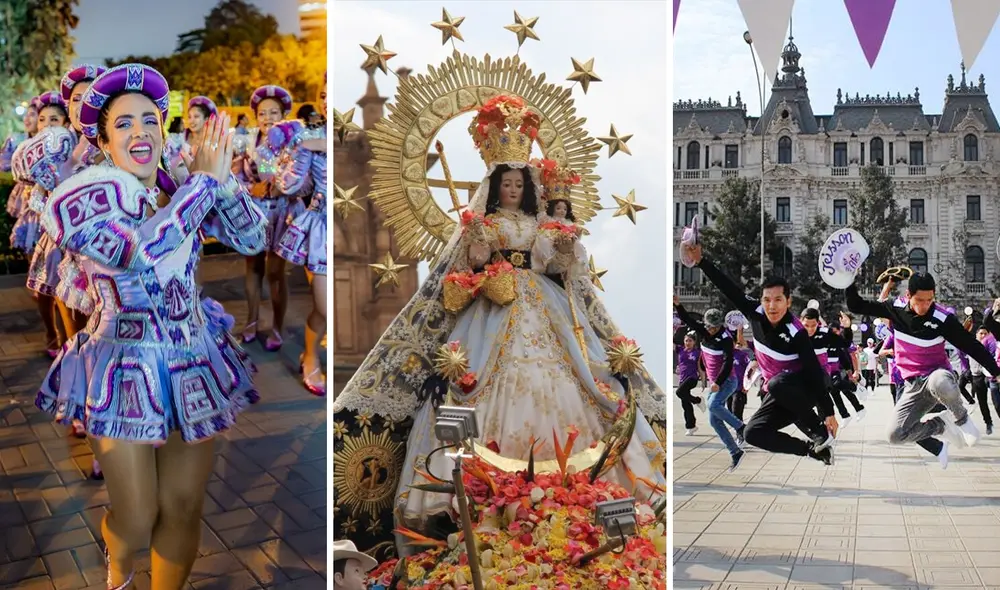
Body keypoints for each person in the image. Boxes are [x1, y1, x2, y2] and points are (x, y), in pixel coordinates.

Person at [333, 95, 666, 556]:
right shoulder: (486, 222)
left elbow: (558, 267)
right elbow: (469, 263)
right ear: (495, 186)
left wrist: (565, 245)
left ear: (527, 186)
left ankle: (586, 490)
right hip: (492, 309)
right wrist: (474, 237)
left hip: (542, 307)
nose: (511, 189)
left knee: (576, 376)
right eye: (505, 183)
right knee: (476, 380)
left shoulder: (540, 223)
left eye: (517, 183)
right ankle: (477, 496)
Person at [33, 63, 266, 588]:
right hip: (121, 364)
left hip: (191, 357)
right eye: (123, 124)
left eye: (149, 120)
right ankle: (119, 565)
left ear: (163, 129)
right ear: (103, 140)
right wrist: (204, 184)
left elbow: (252, 240)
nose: (140, 132)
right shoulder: (84, 196)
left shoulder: (179, 185)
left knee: (183, 506)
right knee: (136, 519)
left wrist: (223, 186)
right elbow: (140, 252)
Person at [683, 242, 836, 464]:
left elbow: (813, 371)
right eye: (766, 300)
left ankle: (819, 433)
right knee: (752, 433)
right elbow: (728, 288)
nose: (771, 306)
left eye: (778, 300)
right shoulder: (754, 313)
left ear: (788, 301)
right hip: (779, 391)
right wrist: (701, 262)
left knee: (777, 383)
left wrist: (828, 413)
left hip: (805, 388)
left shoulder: (796, 332)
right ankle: (813, 451)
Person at [844, 272, 998, 453]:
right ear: (908, 295)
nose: (925, 306)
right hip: (912, 386)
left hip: (937, 377)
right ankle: (941, 425)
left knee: (940, 381)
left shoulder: (942, 319)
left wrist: (996, 371)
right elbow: (856, 305)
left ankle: (962, 419)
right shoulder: (895, 308)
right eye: (920, 300)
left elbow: (971, 346)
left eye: (929, 300)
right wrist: (848, 279)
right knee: (895, 435)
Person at [236, 85, 302, 351]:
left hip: (284, 214)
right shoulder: (248, 144)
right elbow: (234, 180)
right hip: (256, 214)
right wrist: (251, 188)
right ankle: (251, 321)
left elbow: (302, 179)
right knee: (253, 269)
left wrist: (284, 185)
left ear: (284, 114)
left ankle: (277, 325)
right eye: (262, 113)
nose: (268, 117)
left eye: (274, 112)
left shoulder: (296, 145)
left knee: (276, 273)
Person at [274, 82, 328, 396]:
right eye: (322, 94)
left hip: (359, 232)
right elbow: (288, 184)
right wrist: (298, 152)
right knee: (324, 306)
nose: (325, 100)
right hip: (320, 229)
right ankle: (310, 355)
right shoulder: (306, 139)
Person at [20, 91, 72, 359]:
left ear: (66, 123)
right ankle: (52, 334)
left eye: (55, 118)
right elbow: (35, 197)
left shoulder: (75, 150)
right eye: (43, 119)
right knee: (43, 289)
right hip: (46, 230)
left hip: (73, 231)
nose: (48, 124)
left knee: (69, 290)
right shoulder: (33, 156)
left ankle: (69, 340)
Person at [676, 297, 746, 470]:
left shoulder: (725, 339)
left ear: (719, 325)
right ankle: (735, 452)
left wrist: (718, 382)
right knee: (714, 422)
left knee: (714, 404)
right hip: (715, 382)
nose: (711, 330)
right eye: (709, 327)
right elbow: (687, 319)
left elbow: (728, 362)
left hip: (727, 381)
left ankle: (741, 428)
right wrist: (678, 305)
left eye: (714, 327)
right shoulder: (704, 331)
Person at [802, 309, 867, 428]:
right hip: (806, 376)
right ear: (801, 322)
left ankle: (855, 395)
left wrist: (847, 328)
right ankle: (843, 416)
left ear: (818, 323)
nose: (810, 329)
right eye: (806, 325)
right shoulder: (797, 334)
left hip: (827, 372)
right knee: (826, 399)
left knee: (832, 390)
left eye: (813, 326)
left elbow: (846, 343)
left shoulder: (824, 334)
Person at [676, 330, 704, 435]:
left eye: (690, 341)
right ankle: (691, 426)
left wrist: (704, 381)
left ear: (694, 342)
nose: (688, 342)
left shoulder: (697, 353)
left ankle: (698, 400)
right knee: (685, 404)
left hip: (692, 378)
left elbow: (700, 367)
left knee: (679, 393)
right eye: (686, 340)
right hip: (682, 379)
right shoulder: (680, 350)